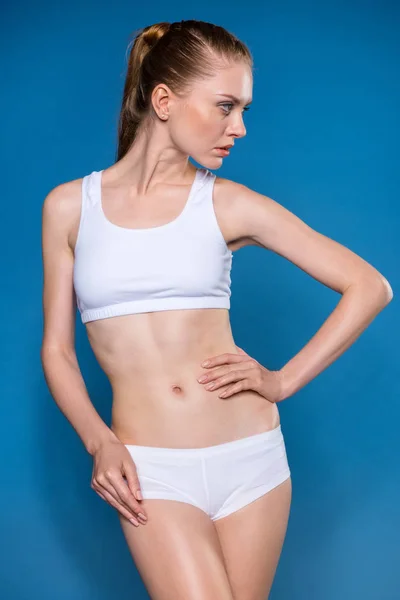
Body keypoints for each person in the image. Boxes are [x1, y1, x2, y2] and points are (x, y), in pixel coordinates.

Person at [40, 19, 393, 600]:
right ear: (163, 100)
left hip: (251, 460)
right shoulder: (68, 209)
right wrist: (98, 440)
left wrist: (281, 381)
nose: (241, 128)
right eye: (226, 106)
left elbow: (369, 285)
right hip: (150, 467)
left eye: (244, 109)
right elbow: (57, 351)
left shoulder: (228, 205)